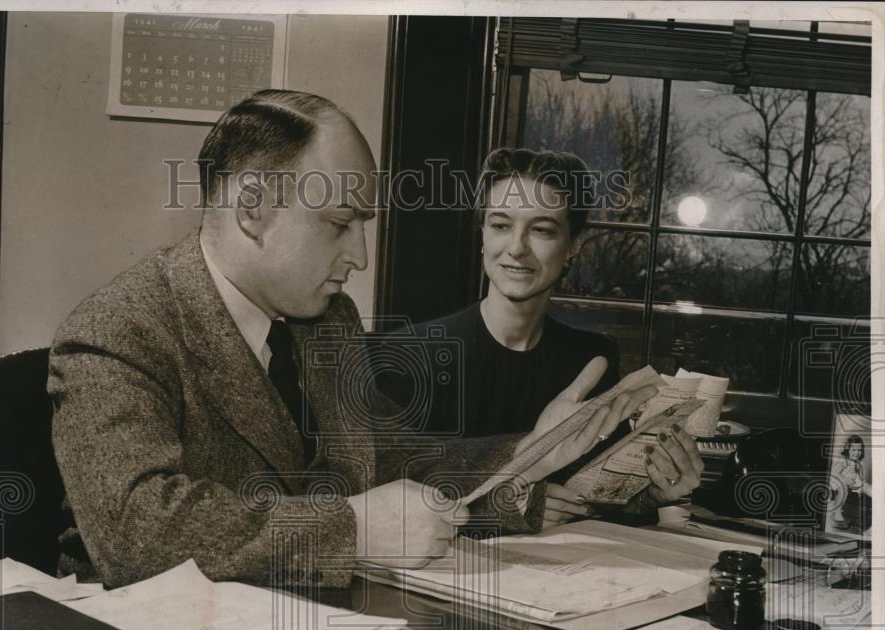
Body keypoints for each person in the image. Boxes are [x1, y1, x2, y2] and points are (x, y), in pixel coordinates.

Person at [48, 92, 656, 590]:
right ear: (252, 209)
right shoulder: (119, 328)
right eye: (341, 224)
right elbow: (136, 533)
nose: (360, 257)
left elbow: (391, 457)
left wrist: (528, 453)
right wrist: (352, 531)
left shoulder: (325, 318)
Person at [378, 148, 702, 527]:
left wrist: (651, 497)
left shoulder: (591, 361)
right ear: (482, 235)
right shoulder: (406, 355)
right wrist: (509, 507)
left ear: (574, 246)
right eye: (500, 225)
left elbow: (595, 502)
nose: (516, 247)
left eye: (543, 230)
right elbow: (384, 503)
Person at [831, 434, 872, 534]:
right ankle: (837, 514)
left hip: (856, 485)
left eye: (859, 450)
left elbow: (859, 477)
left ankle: (874, 523)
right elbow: (834, 474)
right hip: (843, 484)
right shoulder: (843, 461)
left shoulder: (858, 463)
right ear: (847, 450)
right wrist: (845, 480)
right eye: (853, 450)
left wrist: (862, 482)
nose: (857, 453)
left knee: (870, 488)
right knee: (843, 487)